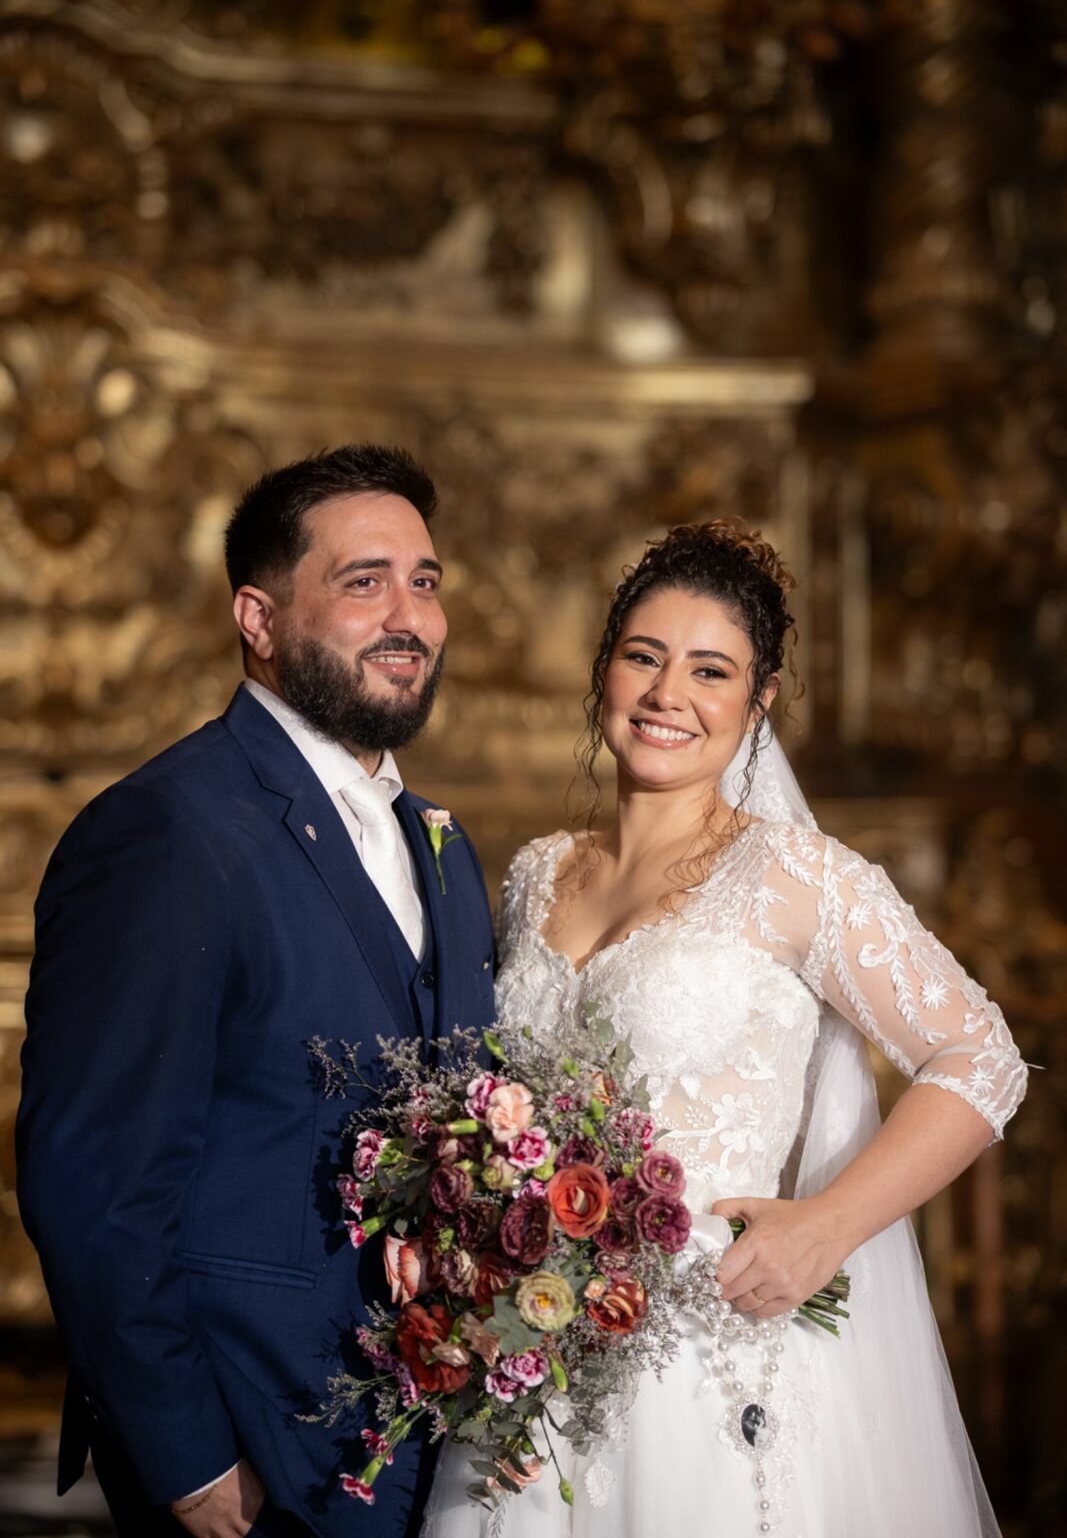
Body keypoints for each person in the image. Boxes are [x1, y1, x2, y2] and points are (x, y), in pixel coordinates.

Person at [423, 519, 1027, 1537]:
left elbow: (983, 1059)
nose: (668, 694)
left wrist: (826, 1226)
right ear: (603, 673)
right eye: (643, 657)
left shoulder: (796, 875)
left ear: (759, 702)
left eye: (710, 671)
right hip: (535, 1366)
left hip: (706, 1365)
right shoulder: (535, 874)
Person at [17, 444, 496, 1538]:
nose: (409, 617)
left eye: (424, 581)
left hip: (422, 1449)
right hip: (251, 1458)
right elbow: (94, 1187)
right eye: (364, 581)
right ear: (259, 617)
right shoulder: (166, 832)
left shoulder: (445, 847)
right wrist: (186, 1459)